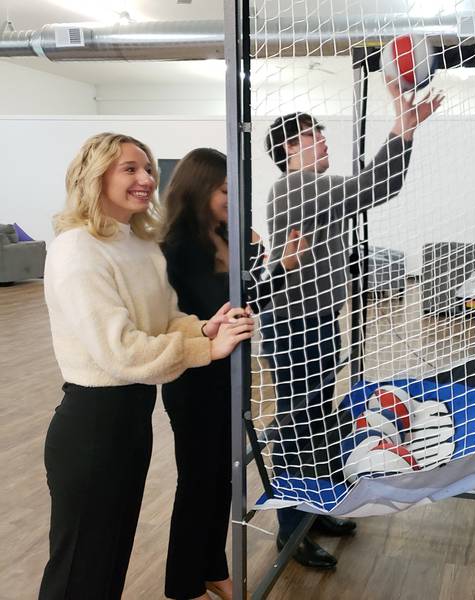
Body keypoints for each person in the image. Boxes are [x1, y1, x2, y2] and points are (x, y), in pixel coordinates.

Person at [39, 133, 254, 600]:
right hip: (92, 424)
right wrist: (205, 352)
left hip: (133, 419)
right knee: (81, 567)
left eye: (148, 168)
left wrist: (203, 329)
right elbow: (119, 350)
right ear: (95, 177)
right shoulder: (77, 249)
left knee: (108, 561)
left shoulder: (138, 244)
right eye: (129, 169)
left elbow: (167, 319)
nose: (145, 179)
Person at [262, 79, 443, 568]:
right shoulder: (297, 186)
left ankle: (313, 510)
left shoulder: (306, 187)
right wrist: (402, 129)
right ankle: (289, 530)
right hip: (295, 325)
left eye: (320, 131)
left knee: (318, 419)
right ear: (288, 149)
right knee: (299, 425)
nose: (322, 139)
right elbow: (378, 186)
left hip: (314, 319)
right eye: (309, 135)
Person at [159, 148, 308, 600]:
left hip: (230, 376)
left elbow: (242, 304)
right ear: (199, 189)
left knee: (222, 479)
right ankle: (184, 584)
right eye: (225, 190)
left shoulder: (225, 236)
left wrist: (280, 267)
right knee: (198, 482)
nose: (231, 198)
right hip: (195, 379)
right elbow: (202, 315)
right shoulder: (177, 249)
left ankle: (212, 568)